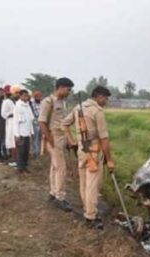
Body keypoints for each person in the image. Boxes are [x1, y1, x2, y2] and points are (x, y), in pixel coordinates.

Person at [60, 86, 114, 229]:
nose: (106, 101)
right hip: (94, 151)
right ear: (99, 96)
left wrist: (72, 141)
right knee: (92, 186)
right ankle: (91, 215)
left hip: (81, 150)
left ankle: (87, 208)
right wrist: (109, 160)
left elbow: (64, 124)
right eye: (105, 98)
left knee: (84, 182)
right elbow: (104, 139)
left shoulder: (79, 107)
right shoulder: (97, 111)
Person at [38, 77, 74, 211]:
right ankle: (60, 197)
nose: (69, 92)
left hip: (61, 136)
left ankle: (53, 193)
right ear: (61, 87)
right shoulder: (48, 102)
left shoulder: (63, 102)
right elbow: (42, 122)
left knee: (55, 167)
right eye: (68, 89)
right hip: (54, 137)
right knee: (61, 168)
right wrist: (50, 140)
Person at [13, 89, 34, 173]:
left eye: (27, 95)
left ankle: (25, 166)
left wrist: (31, 132)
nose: (26, 97)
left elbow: (30, 120)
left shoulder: (28, 105)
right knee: (20, 152)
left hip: (27, 132)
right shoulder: (17, 106)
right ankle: (20, 168)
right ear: (20, 96)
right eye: (24, 95)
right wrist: (17, 135)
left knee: (26, 151)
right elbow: (15, 122)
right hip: (20, 133)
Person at [2, 85, 20, 166]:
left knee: (16, 141)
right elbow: (3, 114)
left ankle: (17, 158)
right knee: (12, 141)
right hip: (11, 123)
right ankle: (14, 159)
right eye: (16, 93)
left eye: (18, 93)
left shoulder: (16, 102)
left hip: (16, 123)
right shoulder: (7, 102)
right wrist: (13, 114)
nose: (17, 94)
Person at [30, 90, 43, 157]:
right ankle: (35, 152)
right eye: (37, 96)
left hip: (41, 123)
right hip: (35, 123)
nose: (39, 97)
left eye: (40, 96)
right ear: (34, 97)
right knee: (35, 138)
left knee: (40, 138)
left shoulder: (42, 103)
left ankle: (39, 151)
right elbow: (36, 113)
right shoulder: (32, 103)